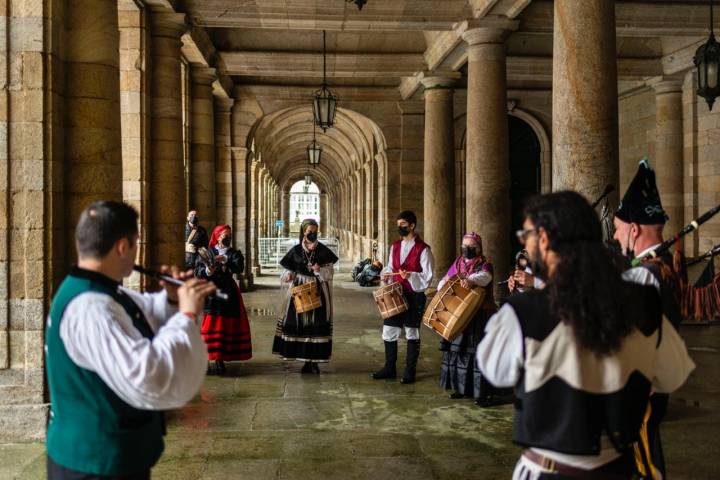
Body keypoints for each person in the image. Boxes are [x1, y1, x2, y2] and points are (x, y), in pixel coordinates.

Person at [476, 191, 694, 479]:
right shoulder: (644, 303)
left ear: (543, 239)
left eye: (525, 234)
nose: (523, 241)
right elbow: (672, 375)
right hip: (619, 469)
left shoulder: (522, 312)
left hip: (548, 471)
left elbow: (496, 372)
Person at [45, 201, 216, 480]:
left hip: (107, 457)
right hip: (94, 464)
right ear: (123, 247)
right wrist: (186, 314)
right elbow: (147, 373)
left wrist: (172, 298)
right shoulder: (90, 307)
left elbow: (143, 310)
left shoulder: (98, 290)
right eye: (136, 243)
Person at [613, 159, 683, 478]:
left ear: (634, 229)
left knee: (642, 457)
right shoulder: (663, 265)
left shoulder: (645, 274)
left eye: (617, 229)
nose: (615, 236)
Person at [372, 210, 434, 384]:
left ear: (412, 225)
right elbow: (391, 267)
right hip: (395, 294)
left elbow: (427, 276)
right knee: (389, 330)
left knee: (411, 332)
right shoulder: (395, 246)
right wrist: (386, 275)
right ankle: (389, 368)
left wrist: (411, 276)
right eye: (398, 225)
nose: (400, 228)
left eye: (403, 225)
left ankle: (409, 371)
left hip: (414, 295)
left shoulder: (424, 249)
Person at [437, 232, 497, 406]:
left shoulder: (485, 265)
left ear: (478, 247)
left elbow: (485, 278)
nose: (467, 249)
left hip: (480, 315)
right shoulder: (458, 263)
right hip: (461, 315)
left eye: (470, 246)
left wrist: (469, 279)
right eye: (464, 245)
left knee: (480, 354)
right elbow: (445, 279)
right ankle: (462, 389)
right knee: (460, 352)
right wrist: (446, 284)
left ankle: (483, 394)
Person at [273, 219, 338, 373]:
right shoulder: (295, 250)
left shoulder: (323, 250)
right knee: (299, 324)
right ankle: (303, 359)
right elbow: (287, 271)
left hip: (318, 290)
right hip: (298, 290)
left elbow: (329, 273)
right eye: (310, 231)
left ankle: (313, 362)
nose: (313, 233)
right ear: (303, 232)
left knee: (316, 324)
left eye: (315, 231)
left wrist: (318, 271)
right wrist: (288, 275)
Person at [194, 224, 252, 375]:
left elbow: (239, 267)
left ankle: (220, 359)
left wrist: (225, 259)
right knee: (208, 325)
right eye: (224, 235)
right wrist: (208, 270)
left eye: (229, 235)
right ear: (217, 236)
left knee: (224, 325)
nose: (227, 238)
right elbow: (198, 270)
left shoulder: (233, 253)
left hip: (227, 291)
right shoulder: (207, 252)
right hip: (210, 292)